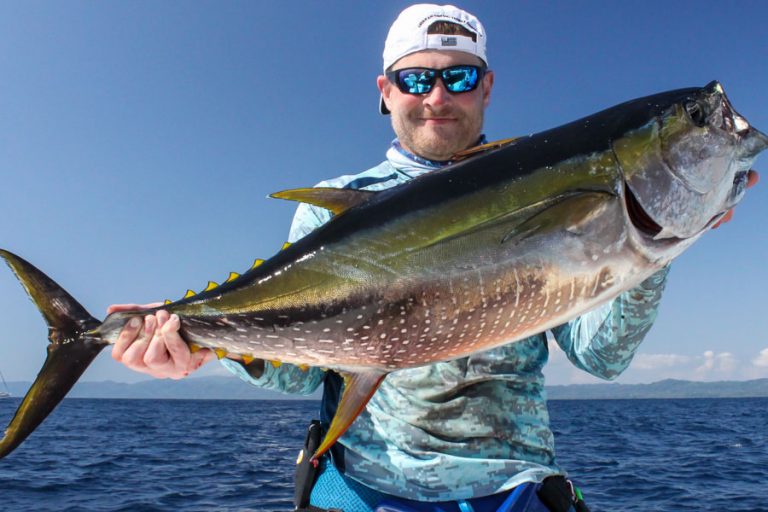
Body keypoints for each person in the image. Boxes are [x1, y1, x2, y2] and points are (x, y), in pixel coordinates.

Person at [109, 4, 759, 512]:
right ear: (386, 90)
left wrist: (662, 252)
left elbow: (602, 357)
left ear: (486, 87)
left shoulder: (556, 178)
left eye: (460, 77)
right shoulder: (338, 207)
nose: (438, 97)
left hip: (514, 483)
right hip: (364, 485)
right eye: (417, 79)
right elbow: (304, 375)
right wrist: (199, 346)